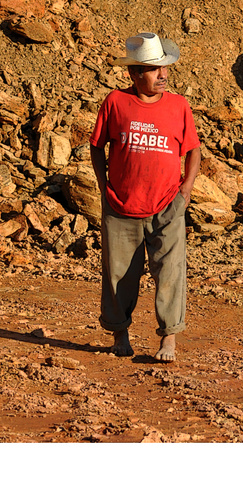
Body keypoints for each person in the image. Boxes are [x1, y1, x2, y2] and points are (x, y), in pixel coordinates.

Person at [90, 31, 201, 361]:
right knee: (119, 275)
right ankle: (120, 333)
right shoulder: (115, 102)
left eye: (165, 69)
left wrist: (185, 191)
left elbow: (193, 150)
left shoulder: (179, 106)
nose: (163, 75)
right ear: (134, 73)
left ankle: (169, 338)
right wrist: (103, 186)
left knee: (170, 272)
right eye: (155, 70)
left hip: (167, 205)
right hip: (121, 205)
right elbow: (97, 146)